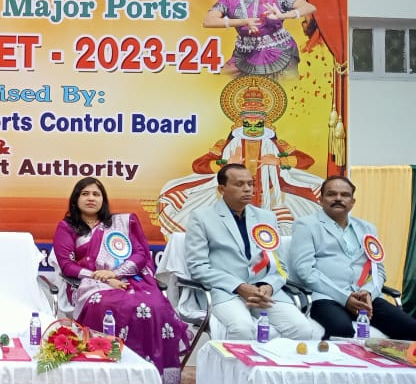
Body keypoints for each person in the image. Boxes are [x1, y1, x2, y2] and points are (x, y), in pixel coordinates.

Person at [52, 177, 189, 384]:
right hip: (90, 284)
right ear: (76, 199)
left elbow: (140, 254)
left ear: (103, 199)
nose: (91, 198)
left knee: (156, 306)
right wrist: (102, 277)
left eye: (96, 194)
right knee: (108, 306)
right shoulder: (67, 227)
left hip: (129, 279)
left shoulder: (121, 223)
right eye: (85, 194)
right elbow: (67, 265)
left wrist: (116, 273)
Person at [157, 76, 322, 236]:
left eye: (258, 124)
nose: (253, 128)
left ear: (265, 124)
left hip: (270, 195)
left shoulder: (277, 145)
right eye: (248, 124)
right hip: (231, 196)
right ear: (240, 124)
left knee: (281, 232)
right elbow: (198, 165)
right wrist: (226, 164)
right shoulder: (226, 145)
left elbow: (307, 161)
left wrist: (279, 160)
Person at [184, 163, 319, 340]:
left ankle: (273, 360)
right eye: (239, 184)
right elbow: (197, 267)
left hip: (263, 292)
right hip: (225, 291)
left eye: (250, 183)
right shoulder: (202, 217)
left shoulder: (266, 217)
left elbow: (279, 266)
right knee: (242, 329)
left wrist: (269, 286)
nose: (248, 189)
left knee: (302, 329)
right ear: (221, 189)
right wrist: (240, 287)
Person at [288, 176, 416, 340]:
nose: (338, 198)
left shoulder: (367, 228)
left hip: (364, 298)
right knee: (342, 329)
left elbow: (378, 270)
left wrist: (368, 293)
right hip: (326, 296)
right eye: (331, 194)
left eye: (345, 195)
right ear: (321, 199)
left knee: (411, 328)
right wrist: (345, 297)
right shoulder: (305, 225)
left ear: (353, 202)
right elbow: (305, 270)